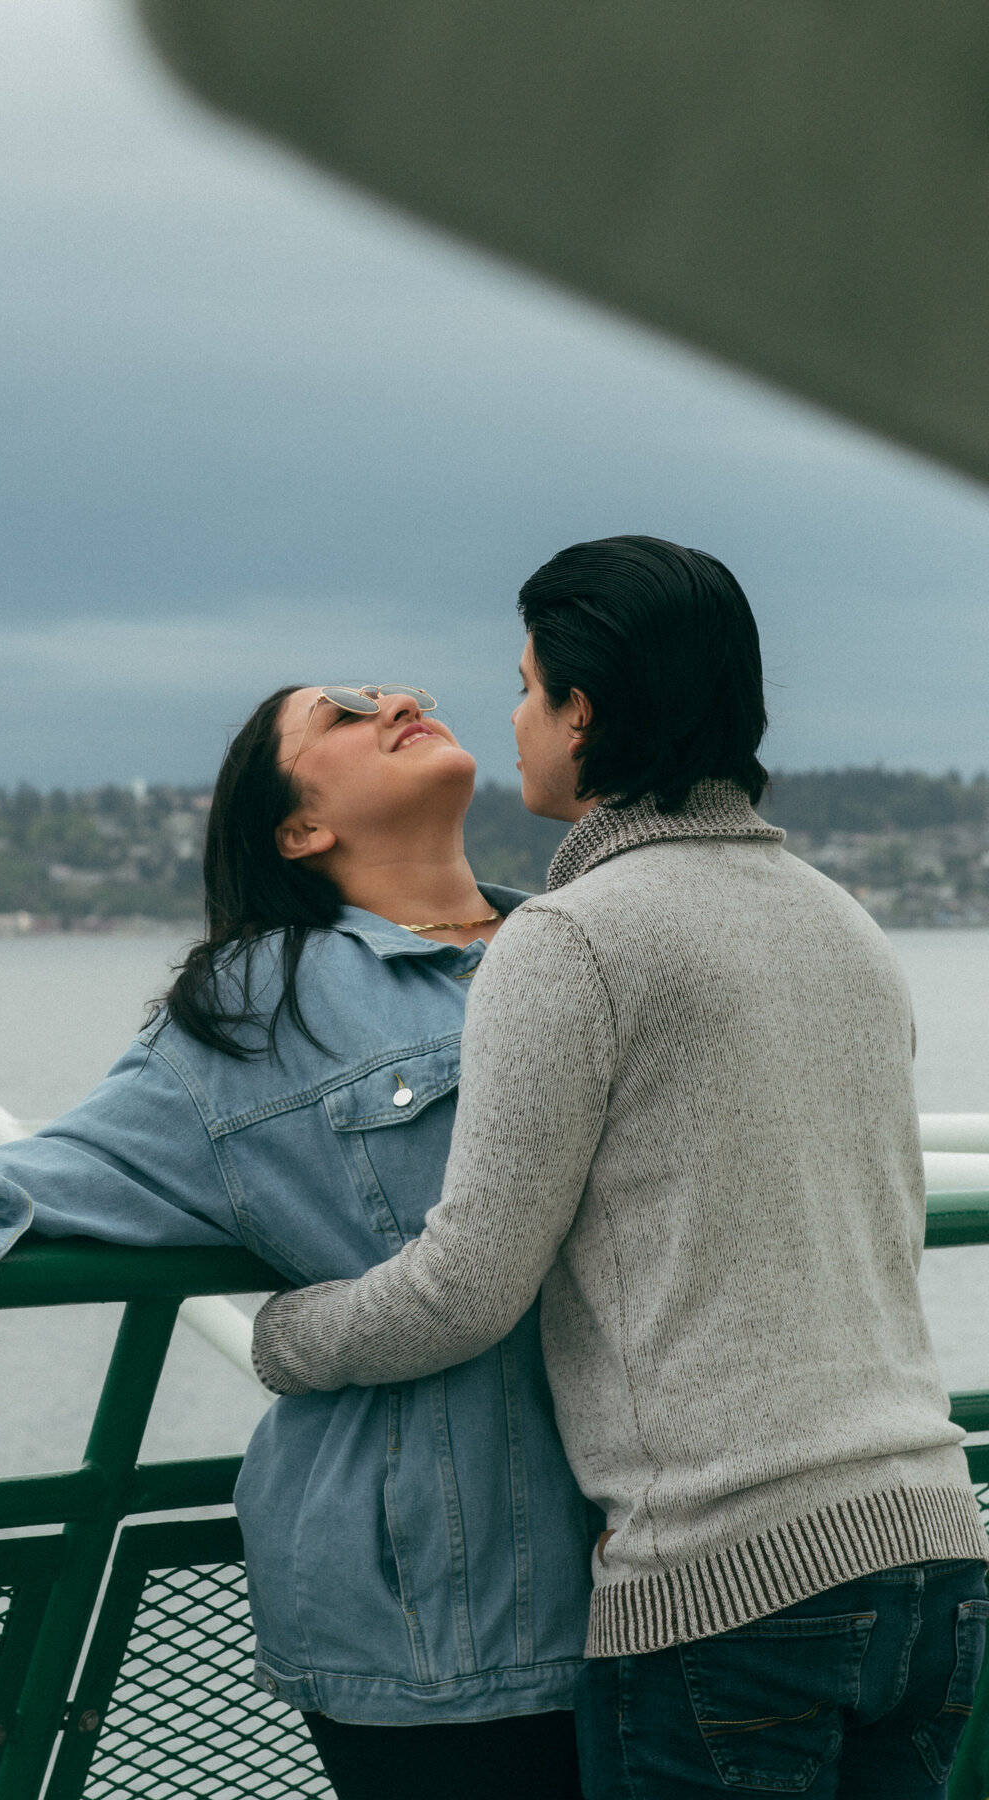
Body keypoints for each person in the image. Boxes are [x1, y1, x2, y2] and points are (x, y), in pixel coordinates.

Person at [250, 540, 989, 1799]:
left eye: (531, 689)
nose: (519, 721)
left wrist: (289, 1335)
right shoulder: (845, 924)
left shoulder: (575, 938)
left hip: (732, 1589)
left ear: (585, 713)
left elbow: (466, 1285)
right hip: (934, 1556)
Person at [0, 683, 592, 1800]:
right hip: (439, 1610)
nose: (397, 699)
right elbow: (76, 1167)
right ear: (300, 830)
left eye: (391, 689)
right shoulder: (265, 1003)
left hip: (666, 1569)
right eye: (345, 712)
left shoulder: (587, 941)